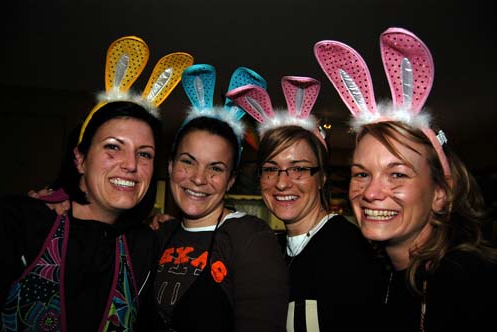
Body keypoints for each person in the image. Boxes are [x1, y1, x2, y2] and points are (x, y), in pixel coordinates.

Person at [0, 36, 193, 331]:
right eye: (113, 147)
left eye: (144, 153)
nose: (130, 164)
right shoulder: (19, 222)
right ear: (79, 159)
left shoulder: (144, 247)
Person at [314, 27, 497, 331]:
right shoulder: (380, 273)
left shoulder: (468, 280)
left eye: (397, 174)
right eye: (361, 173)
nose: (371, 192)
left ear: (441, 193)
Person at [226, 76, 387, 331]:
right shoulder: (270, 248)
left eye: (298, 169)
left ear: (322, 177)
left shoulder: (350, 253)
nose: (281, 183)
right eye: (270, 169)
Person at [141, 64, 289, 331]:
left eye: (216, 168)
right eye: (188, 162)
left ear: (231, 179)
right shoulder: (160, 233)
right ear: (171, 167)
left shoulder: (249, 238)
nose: (199, 178)